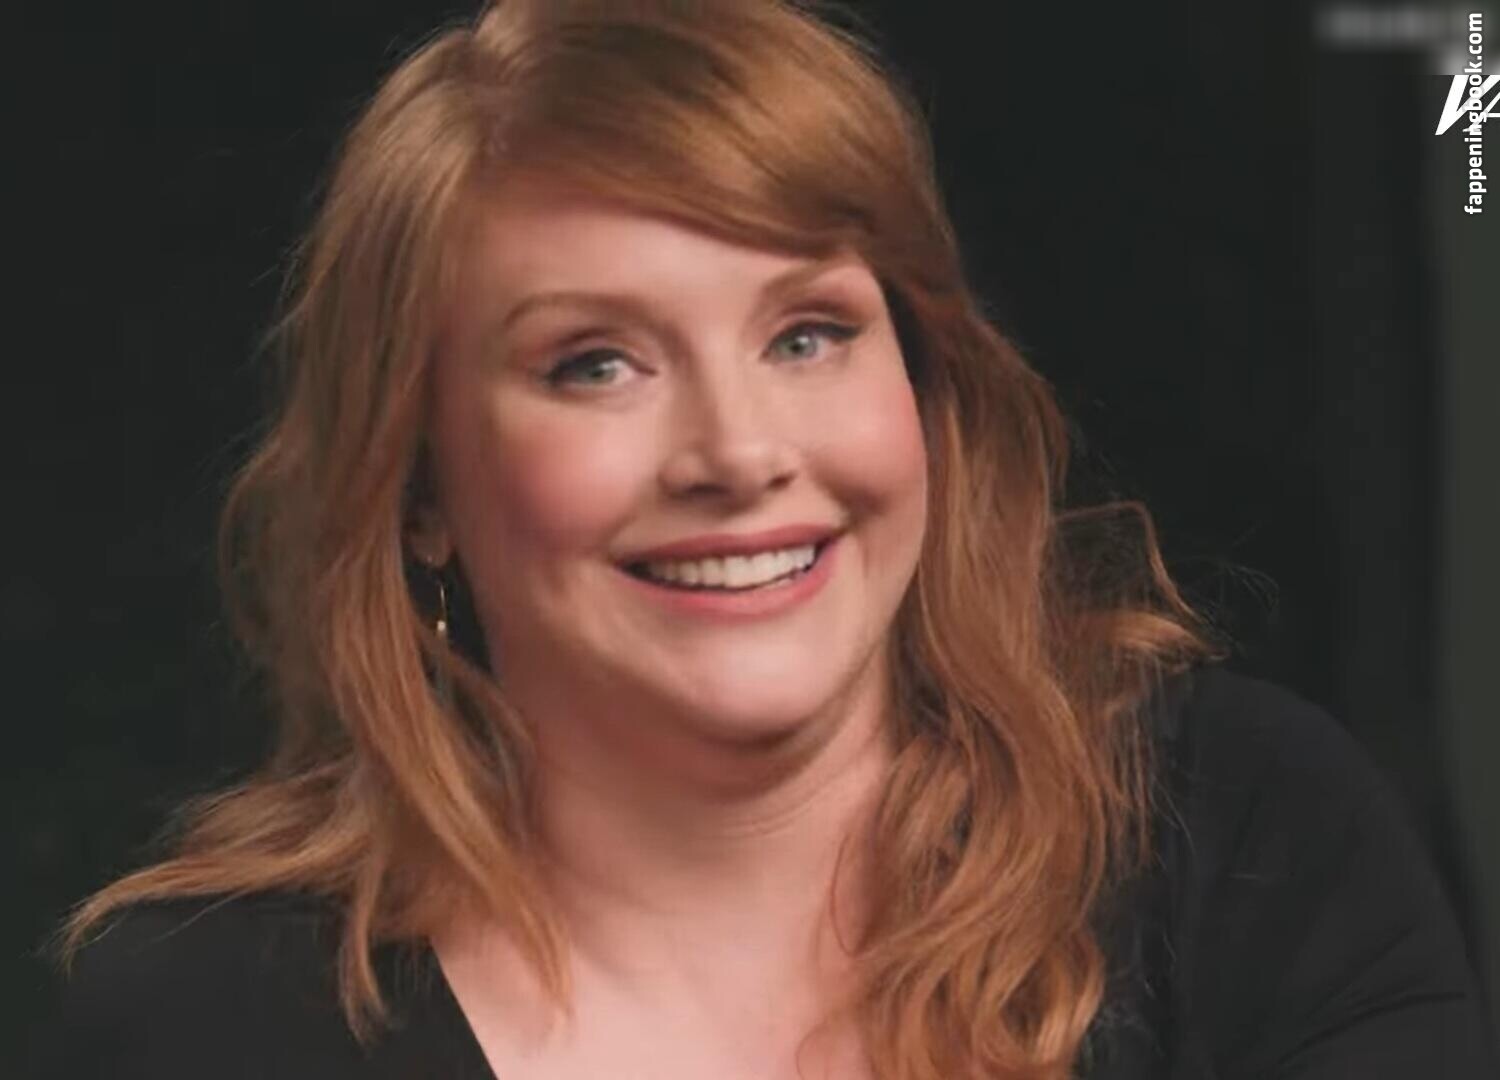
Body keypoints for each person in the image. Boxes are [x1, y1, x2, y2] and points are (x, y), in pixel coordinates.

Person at [37, 2, 1494, 1078]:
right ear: (416, 485)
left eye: (808, 334)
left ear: (925, 387)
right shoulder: (199, 1026)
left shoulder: (1243, 843)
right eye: (596, 363)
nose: (738, 455)